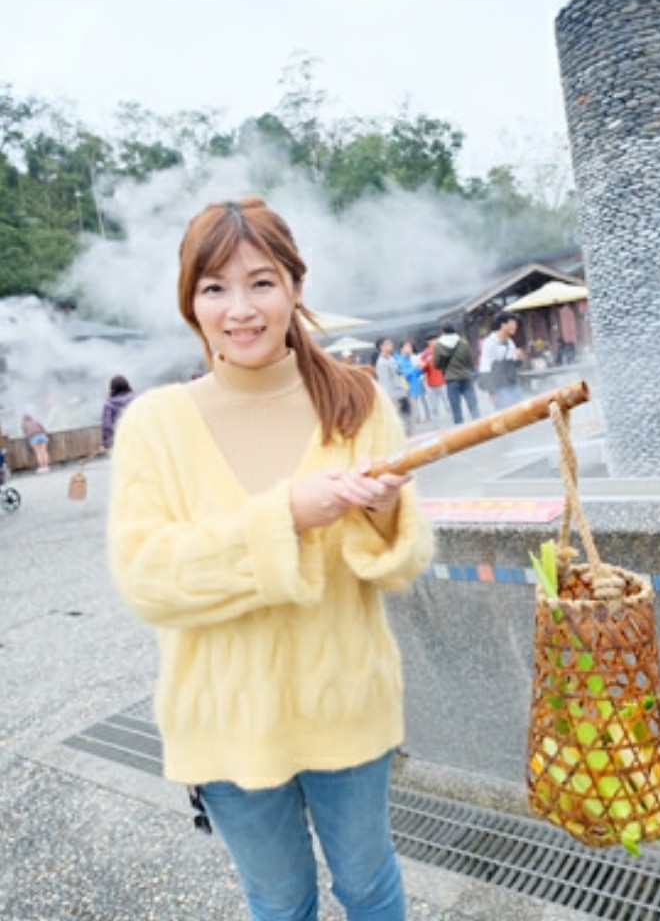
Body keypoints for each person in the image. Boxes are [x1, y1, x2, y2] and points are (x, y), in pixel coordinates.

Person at [107, 197, 432, 921]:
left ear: (294, 287)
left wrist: (380, 511)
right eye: (214, 287)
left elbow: (399, 564)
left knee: (369, 886)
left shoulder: (356, 400)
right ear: (191, 303)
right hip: (225, 719)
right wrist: (285, 514)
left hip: (344, 698)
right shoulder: (155, 425)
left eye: (261, 282)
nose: (240, 308)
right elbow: (146, 577)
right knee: (280, 904)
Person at [478, 312, 524, 410]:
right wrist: (492, 392)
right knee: (506, 417)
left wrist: (519, 358)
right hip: (499, 388)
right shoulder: (490, 343)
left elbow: (514, 365)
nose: (515, 326)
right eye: (513, 324)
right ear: (503, 325)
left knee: (521, 413)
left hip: (513, 385)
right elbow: (485, 368)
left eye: (515, 324)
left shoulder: (510, 342)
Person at [433, 323, 478, 424]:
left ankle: (460, 429)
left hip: (451, 380)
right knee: (473, 405)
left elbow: (437, 365)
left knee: (456, 408)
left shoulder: (439, 346)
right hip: (466, 377)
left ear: (443, 332)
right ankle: (479, 426)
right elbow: (470, 361)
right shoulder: (463, 343)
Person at [373, 338, 411, 431]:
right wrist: (393, 398)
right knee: (399, 421)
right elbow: (385, 382)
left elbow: (398, 375)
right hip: (394, 396)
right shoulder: (381, 363)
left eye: (391, 343)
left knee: (406, 418)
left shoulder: (391, 358)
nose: (391, 345)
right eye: (387, 344)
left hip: (401, 392)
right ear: (381, 347)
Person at [101, 375, 136, 450]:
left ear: (113, 389)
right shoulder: (135, 399)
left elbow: (107, 426)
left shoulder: (109, 404)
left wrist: (106, 443)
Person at [396, 342, 427, 425]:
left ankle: (416, 420)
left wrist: (421, 369)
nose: (410, 349)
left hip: (414, 387)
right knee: (410, 408)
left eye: (410, 347)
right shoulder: (399, 361)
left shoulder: (409, 359)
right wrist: (417, 368)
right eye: (407, 347)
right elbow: (405, 375)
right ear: (401, 349)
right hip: (407, 389)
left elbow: (414, 375)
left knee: (415, 405)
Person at [419, 337, 446, 424]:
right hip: (431, 382)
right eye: (433, 340)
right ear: (429, 342)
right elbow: (421, 367)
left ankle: (452, 419)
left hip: (442, 380)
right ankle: (437, 422)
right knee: (434, 405)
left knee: (447, 402)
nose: (436, 342)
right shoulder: (425, 354)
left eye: (436, 340)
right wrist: (428, 361)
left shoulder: (441, 350)